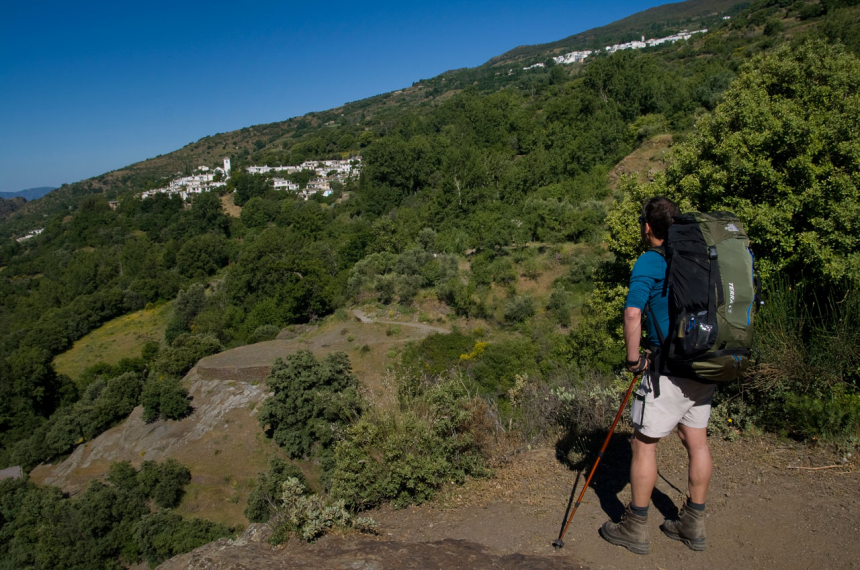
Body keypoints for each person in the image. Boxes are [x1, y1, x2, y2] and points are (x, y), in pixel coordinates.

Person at [599, 197, 715, 555]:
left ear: (647, 227)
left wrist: (634, 361)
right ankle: (692, 523)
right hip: (703, 361)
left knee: (643, 443)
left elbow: (633, 313)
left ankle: (635, 526)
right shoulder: (698, 256)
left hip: (667, 367)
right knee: (697, 441)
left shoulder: (650, 260)